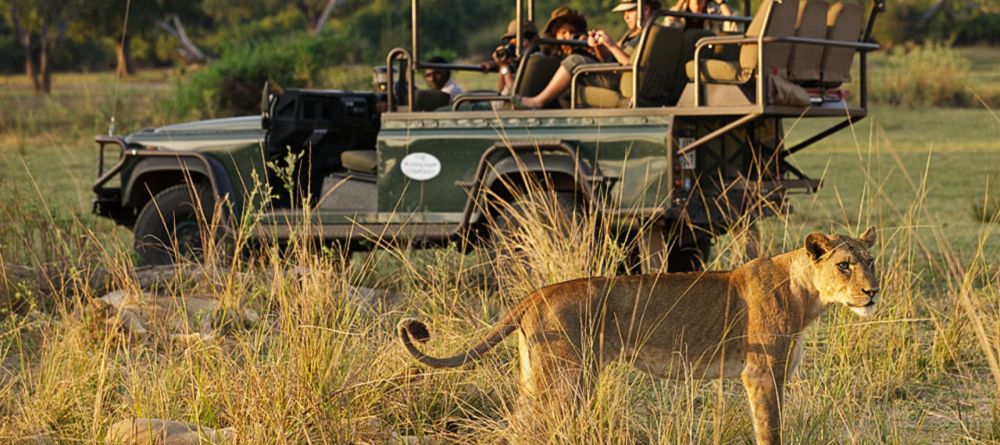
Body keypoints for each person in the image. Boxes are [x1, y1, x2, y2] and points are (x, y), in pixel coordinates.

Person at [519, 7, 599, 109]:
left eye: (572, 32)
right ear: (555, 34)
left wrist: (588, 46)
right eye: (563, 33)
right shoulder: (550, 52)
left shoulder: (585, 48)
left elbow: (599, 62)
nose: (568, 36)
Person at [482, 20, 540, 94]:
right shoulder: (521, 60)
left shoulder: (534, 61)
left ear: (532, 39)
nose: (512, 46)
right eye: (510, 42)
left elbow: (514, 92)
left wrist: (505, 67)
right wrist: (502, 64)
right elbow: (500, 89)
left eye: (517, 41)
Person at [663, 0, 736, 33]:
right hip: (682, 54)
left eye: (701, 0)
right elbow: (667, 29)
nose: (697, 3)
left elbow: (732, 26)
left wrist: (721, 2)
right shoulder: (678, 12)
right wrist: (680, 3)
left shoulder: (714, 14)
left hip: (706, 54)